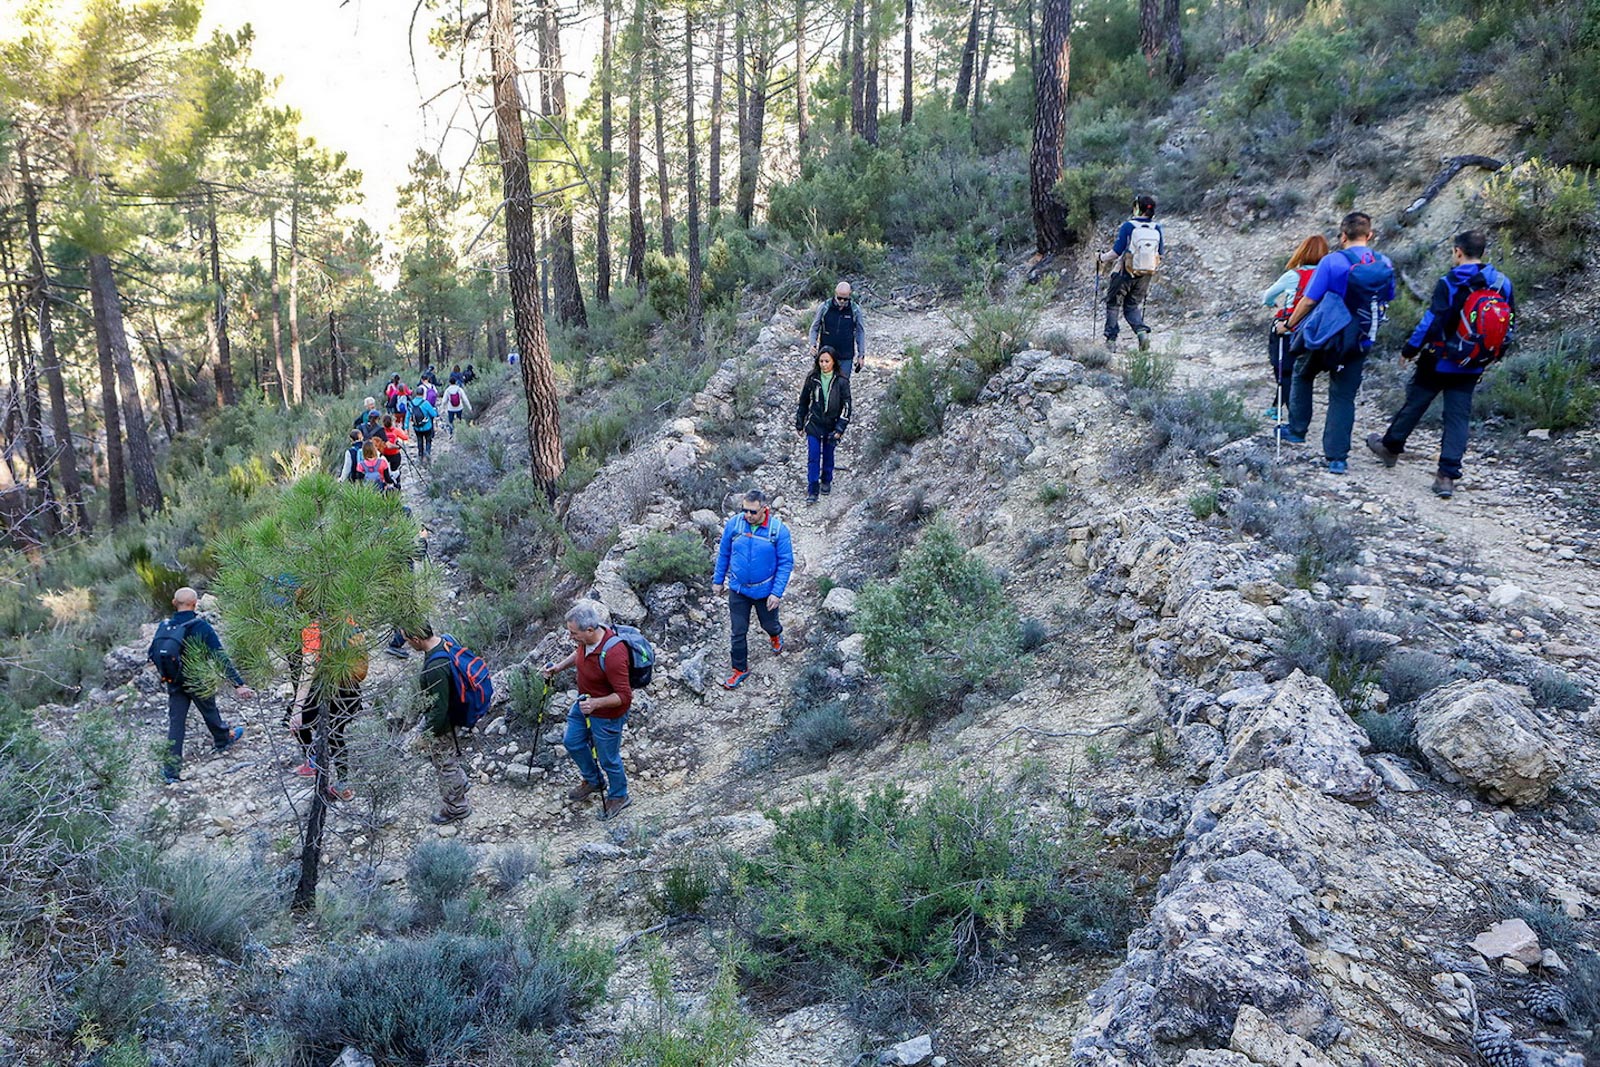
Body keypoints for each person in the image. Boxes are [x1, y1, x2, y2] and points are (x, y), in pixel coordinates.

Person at [1366, 230, 1514, 499]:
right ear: (1482, 252)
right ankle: (1446, 477)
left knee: (1415, 403)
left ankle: (1390, 447)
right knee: (1458, 417)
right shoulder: (1502, 282)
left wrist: (1410, 349)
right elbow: (1509, 322)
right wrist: (1492, 354)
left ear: (1458, 251)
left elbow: (1431, 321)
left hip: (1440, 358)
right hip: (1473, 361)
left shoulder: (1450, 281)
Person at [1275, 211, 1396, 473]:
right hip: (1361, 338)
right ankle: (1337, 458)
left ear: (1343, 236)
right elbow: (1388, 297)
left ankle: (1297, 430)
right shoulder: (1384, 263)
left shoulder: (1332, 262)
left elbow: (1308, 300)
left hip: (1327, 336)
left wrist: (1289, 324)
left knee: (1302, 373)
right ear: (1370, 235)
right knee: (1343, 397)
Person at [147, 587, 254, 783]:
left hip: (174, 681)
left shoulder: (165, 626)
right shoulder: (201, 626)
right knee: (209, 711)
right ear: (195, 605)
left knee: (176, 723)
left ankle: (171, 771)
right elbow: (219, 656)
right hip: (197, 679)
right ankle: (223, 739)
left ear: (174, 603)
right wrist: (238, 684)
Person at [542, 601, 635, 820]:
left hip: (606, 715)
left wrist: (595, 704)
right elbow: (580, 653)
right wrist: (559, 667)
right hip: (584, 702)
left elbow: (624, 696)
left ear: (590, 630)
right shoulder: (588, 641)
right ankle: (593, 781)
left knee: (608, 759)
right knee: (572, 741)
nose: (571, 636)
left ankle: (619, 795)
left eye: (574, 633)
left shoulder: (613, 654)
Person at [712, 489, 793, 689]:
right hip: (738, 589)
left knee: (769, 624)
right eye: (745, 510)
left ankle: (775, 634)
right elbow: (724, 553)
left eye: (753, 512)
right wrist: (718, 580)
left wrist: (776, 593)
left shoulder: (778, 530)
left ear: (764, 510)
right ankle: (739, 669)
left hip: (765, 592)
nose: (748, 515)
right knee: (738, 631)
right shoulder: (734, 524)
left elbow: (785, 563)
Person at [288, 618, 365, 802]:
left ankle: (314, 760)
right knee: (336, 734)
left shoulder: (313, 628)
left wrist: (298, 708)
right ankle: (342, 783)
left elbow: (308, 669)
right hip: (349, 688)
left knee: (294, 722)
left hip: (324, 690)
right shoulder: (347, 618)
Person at [403, 623, 473, 825]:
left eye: (407, 641)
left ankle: (457, 807)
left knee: (445, 764)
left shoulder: (435, 667)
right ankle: (462, 783)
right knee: (448, 756)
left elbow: (439, 709)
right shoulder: (447, 639)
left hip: (444, 722)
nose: (407, 645)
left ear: (416, 639)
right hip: (455, 714)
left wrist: (427, 735)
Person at [1260, 234, 1330, 421]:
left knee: (1283, 369)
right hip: (1316, 331)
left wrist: (1270, 303)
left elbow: (1268, 295)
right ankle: (1277, 406)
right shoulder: (1328, 275)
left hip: (1289, 328)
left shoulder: (1293, 276)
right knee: (1299, 372)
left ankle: (1293, 416)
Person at [1098, 194, 1165, 352]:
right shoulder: (1156, 228)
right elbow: (1160, 254)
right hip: (1146, 273)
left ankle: (1111, 341)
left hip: (1125, 272)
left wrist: (1101, 258)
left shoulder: (1129, 226)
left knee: (1113, 304)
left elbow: (1116, 252)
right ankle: (1141, 333)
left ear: (1137, 208)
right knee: (1132, 305)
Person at [795, 347, 852, 504]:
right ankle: (812, 490)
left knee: (828, 454)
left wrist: (840, 428)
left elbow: (847, 406)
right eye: (821, 361)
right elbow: (804, 401)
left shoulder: (841, 381)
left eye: (827, 361)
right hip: (814, 424)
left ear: (833, 362)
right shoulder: (812, 379)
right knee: (813, 457)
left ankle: (826, 480)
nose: (824, 364)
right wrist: (800, 422)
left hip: (832, 425)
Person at [808, 281, 867, 379]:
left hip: (846, 355)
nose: (842, 301)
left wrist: (861, 355)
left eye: (845, 299)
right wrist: (812, 344)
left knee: (843, 385)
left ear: (850, 295)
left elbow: (860, 332)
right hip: (826, 354)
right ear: (835, 294)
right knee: (824, 383)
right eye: (840, 298)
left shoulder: (855, 310)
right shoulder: (825, 307)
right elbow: (815, 327)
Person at [380, 414, 409, 487]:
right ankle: (397, 486)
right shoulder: (396, 431)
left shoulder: (381, 431)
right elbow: (405, 438)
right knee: (395, 471)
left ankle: (387, 487)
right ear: (392, 422)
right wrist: (404, 430)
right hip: (395, 454)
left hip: (384, 455)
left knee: (385, 472)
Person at [411, 393, 439, 463]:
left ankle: (420, 455)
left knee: (419, 440)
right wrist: (435, 411)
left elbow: (408, 415)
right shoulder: (425, 403)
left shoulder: (411, 403)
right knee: (428, 440)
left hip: (416, 427)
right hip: (427, 426)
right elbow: (433, 414)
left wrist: (406, 427)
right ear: (423, 394)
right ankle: (427, 455)